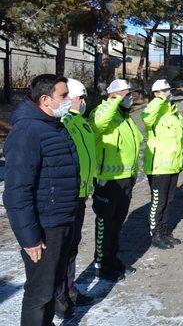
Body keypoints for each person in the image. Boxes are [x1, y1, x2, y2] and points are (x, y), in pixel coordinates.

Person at [3, 75, 78, 326]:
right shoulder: (27, 131)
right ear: (45, 100)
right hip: (44, 227)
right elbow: (17, 191)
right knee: (40, 292)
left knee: (53, 286)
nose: (69, 100)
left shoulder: (53, 125)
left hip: (62, 220)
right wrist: (30, 238)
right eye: (64, 95)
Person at [89, 79, 143, 281]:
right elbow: (99, 123)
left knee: (117, 223)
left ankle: (112, 259)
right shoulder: (101, 113)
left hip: (125, 179)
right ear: (113, 96)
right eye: (125, 93)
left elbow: (134, 144)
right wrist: (113, 100)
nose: (129, 97)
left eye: (130, 94)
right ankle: (101, 263)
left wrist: (133, 173)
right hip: (107, 180)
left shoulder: (125, 118)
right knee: (105, 222)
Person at [54, 78, 96, 318]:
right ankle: (59, 297)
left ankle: (69, 289)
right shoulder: (64, 123)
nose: (82, 103)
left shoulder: (81, 122)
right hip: (67, 195)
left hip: (81, 193)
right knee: (62, 249)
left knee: (72, 247)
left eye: (82, 99)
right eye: (79, 98)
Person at [141, 79, 183, 249]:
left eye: (168, 90)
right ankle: (156, 235)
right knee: (158, 202)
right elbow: (146, 118)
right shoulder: (153, 111)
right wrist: (159, 100)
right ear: (155, 94)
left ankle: (165, 232)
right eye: (163, 91)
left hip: (173, 164)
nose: (167, 93)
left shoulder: (175, 113)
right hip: (158, 165)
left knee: (169, 201)